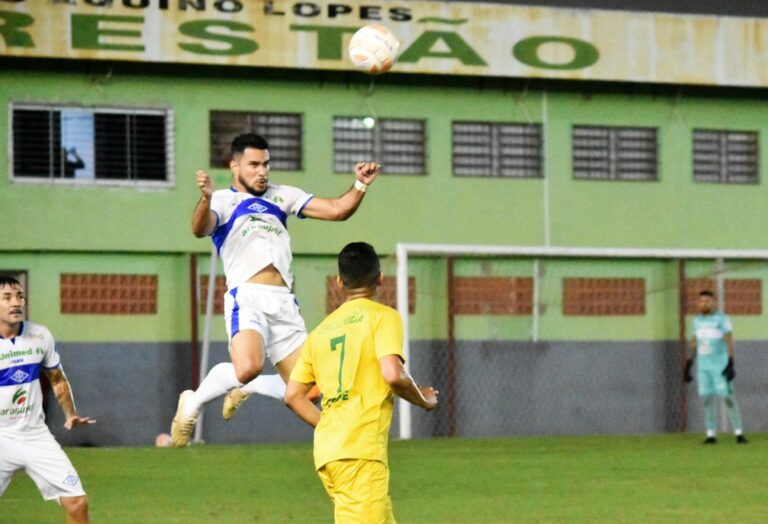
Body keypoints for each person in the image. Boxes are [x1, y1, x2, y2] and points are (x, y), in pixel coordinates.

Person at [171, 133, 381, 446]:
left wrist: (361, 184)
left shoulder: (283, 195)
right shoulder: (223, 201)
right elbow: (199, 228)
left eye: (266, 164)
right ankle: (194, 402)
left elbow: (338, 210)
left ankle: (248, 388)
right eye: (254, 164)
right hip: (248, 296)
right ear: (235, 166)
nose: (262, 171)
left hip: (283, 302)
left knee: (310, 388)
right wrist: (204, 198)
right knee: (248, 366)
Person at [285, 242, 438, 524]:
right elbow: (393, 374)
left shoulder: (319, 333)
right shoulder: (383, 317)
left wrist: (333, 428)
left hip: (330, 453)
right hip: (359, 456)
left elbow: (293, 396)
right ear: (380, 278)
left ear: (340, 282)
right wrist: (424, 400)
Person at [0, 276, 95, 523]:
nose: (16, 303)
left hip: (35, 437)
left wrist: (70, 413)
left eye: (19, 296)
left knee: (77, 503)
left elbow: (57, 379)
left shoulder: (39, 336)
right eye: (7, 297)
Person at [684, 289, 747, 444]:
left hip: (720, 365)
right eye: (701, 301)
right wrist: (689, 364)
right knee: (707, 399)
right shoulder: (696, 321)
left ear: (714, 302)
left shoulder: (721, 319)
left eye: (707, 301)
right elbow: (694, 343)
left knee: (728, 397)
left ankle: (738, 433)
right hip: (703, 367)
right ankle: (711, 434)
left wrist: (731, 362)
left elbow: (729, 340)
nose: (703, 304)